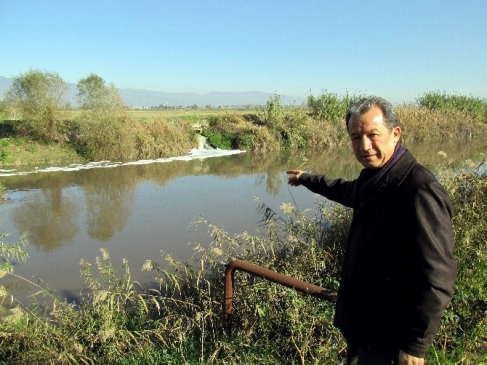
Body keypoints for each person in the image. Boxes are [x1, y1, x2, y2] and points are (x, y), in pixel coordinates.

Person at [287, 96, 457, 365]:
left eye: (372, 134)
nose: (364, 146)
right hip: (364, 327)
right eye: (356, 137)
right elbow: (344, 190)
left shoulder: (418, 189)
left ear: (395, 133)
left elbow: (437, 276)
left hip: (389, 337)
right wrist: (306, 179)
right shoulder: (375, 177)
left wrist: (415, 345)